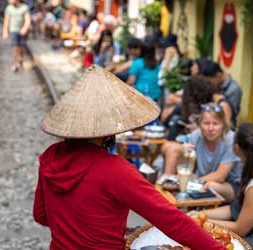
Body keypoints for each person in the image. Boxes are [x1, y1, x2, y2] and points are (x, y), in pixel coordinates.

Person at [33, 64, 226, 250]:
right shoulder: (114, 170)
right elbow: (171, 220)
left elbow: (41, 215)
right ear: (109, 128)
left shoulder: (49, 158)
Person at [188, 123, 253, 250]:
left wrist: (202, 222)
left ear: (236, 147)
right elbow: (233, 210)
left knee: (205, 241)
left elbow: (240, 229)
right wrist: (200, 214)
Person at [159, 104, 242, 202]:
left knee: (210, 185)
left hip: (229, 185)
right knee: (174, 152)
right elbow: (187, 166)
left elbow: (220, 176)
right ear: (200, 124)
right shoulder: (196, 136)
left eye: (215, 124)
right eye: (206, 123)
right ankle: (165, 200)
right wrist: (183, 153)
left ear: (223, 125)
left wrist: (193, 181)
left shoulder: (231, 140)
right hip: (202, 179)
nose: (210, 128)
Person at [2, 0, 31, 72]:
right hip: (13, 30)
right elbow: (6, 20)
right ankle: (16, 63)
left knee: (22, 47)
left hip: (22, 31)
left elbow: (28, 19)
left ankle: (20, 60)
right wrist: (5, 31)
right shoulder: (9, 8)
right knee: (15, 47)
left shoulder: (24, 7)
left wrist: (25, 28)